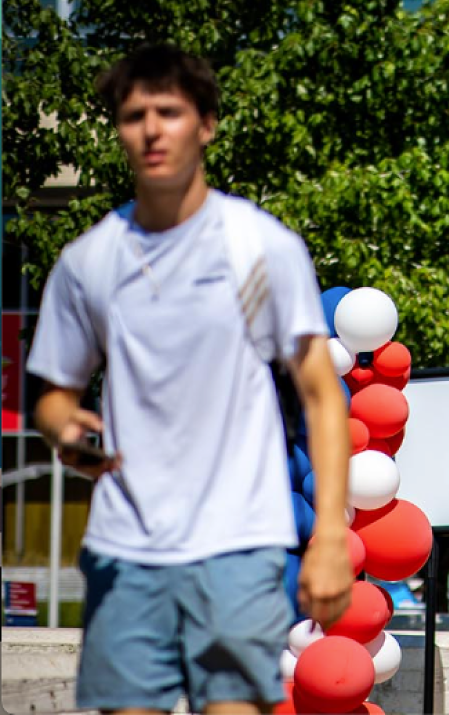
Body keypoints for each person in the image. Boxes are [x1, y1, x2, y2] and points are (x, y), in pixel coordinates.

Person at [25, 43, 355, 715]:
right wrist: (67, 428)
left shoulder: (259, 244)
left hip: (238, 539)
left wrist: (327, 538)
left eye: (169, 112)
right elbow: (52, 395)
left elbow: (322, 396)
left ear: (205, 124)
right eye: (133, 114)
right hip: (125, 545)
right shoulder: (89, 260)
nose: (150, 129)